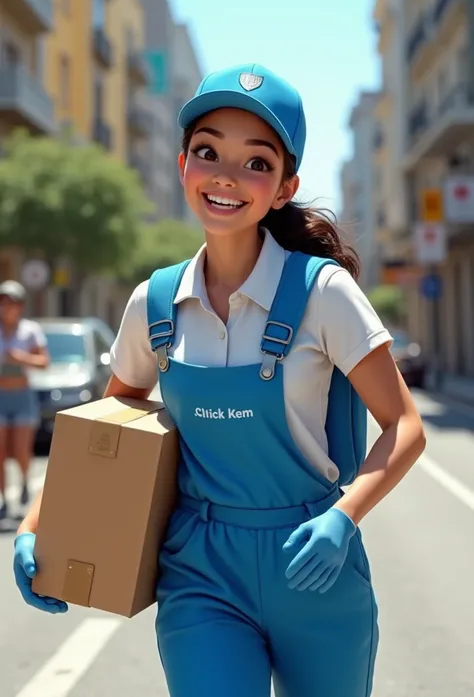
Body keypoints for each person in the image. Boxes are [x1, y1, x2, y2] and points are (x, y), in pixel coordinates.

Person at [13, 64, 426, 696]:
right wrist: (36, 524)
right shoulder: (153, 303)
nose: (227, 176)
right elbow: (104, 427)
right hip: (199, 570)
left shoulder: (325, 295)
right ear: (183, 166)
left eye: (256, 163)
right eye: (208, 152)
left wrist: (345, 517)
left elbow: (404, 425)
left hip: (313, 564)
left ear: (285, 187)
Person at [0, 280, 49, 520]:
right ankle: (3, 500)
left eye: (13, 303)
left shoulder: (30, 330)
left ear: (20, 306)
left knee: (21, 449)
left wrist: (20, 358)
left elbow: (43, 362)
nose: (8, 307)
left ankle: (24, 481)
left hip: (22, 396)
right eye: (3, 302)